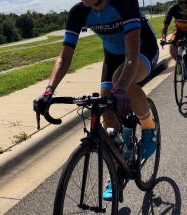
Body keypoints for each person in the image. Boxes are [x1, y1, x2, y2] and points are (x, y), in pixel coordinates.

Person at [34, 0, 159, 200]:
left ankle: (149, 126)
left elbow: (133, 54)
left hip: (142, 50)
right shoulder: (78, 12)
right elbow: (64, 57)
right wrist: (48, 91)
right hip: (112, 57)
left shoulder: (124, 2)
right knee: (107, 118)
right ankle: (117, 173)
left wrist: (120, 88)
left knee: (120, 81)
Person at [161, 0, 187, 73]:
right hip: (179, 30)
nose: (184, 4)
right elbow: (165, 25)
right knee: (172, 47)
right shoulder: (173, 8)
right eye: (181, 3)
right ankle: (179, 63)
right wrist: (163, 38)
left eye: (186, 2)